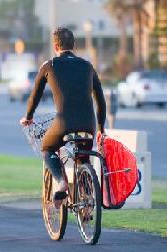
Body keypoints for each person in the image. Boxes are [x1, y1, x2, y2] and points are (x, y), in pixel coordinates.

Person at [19, 27, 106, 207]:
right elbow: (101, 100)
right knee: (83, 157)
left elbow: (35, 96)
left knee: (47, 148)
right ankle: (88, 200)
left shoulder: (48, 65)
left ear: (55, 45)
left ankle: (61, 182)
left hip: (63, 123)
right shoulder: (87, 66)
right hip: (88, 124)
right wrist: (101, 129)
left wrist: (28, 117)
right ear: (73, 45)